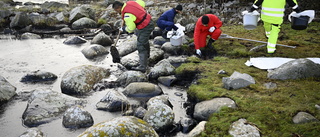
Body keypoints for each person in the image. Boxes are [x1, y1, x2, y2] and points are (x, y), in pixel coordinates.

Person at [112, 0, 154, 73]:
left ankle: (142, 67)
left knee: (140, 45)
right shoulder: (130, 2)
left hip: (145, 26)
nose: (117, 12)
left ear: (119, 7)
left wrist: (124, 29)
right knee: (144, 40)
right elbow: (142, 3)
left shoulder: (127, 15)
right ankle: (146, 56)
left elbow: (131, 29)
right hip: (149, 20)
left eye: (116, 10)